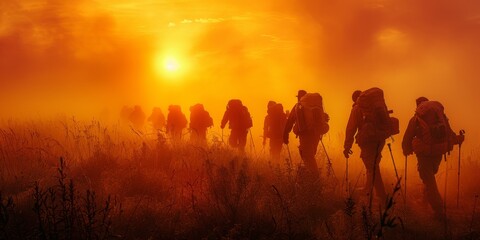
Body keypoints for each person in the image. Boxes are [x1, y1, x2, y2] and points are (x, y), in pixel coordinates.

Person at [402, 97, 464, 219]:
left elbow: (407, 138)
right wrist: (459, 139)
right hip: (438, 153)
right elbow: (450, 135)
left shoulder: (416, 119)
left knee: (429, 181)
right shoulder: (441, 118)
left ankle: (439, 210)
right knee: (429, 178)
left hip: (424, 154)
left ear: (418, 106)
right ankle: (424, 202)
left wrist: (406, 150)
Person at [343, 89, 389, 201]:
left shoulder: (356, 108)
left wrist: (347, 146)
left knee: (371, 167)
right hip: (380, 138)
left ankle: (378, 195)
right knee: (373, 165)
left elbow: (351, 128)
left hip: (368, 140)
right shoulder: (376, 104)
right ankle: (371, 191)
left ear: (355, 100)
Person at [284, 90, 329, 180]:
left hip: (304, 135)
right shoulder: (316, 106)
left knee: (307, 156)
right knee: (310, 155)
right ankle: (309, 176)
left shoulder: (298, 106)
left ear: (299, 97)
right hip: (316, 134)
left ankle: (315, 179)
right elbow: (324, 118)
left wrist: (285, 135)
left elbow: (290, 121)